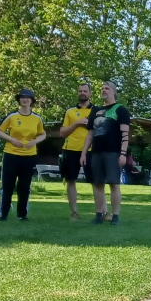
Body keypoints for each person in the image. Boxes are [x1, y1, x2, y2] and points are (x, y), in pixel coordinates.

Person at [82, 80, 130, 225]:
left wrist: (123, 154)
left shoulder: (120, 110)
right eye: (102, 88)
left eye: (107, 88)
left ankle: (115, 217)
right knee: (97, 184)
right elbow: (90, 134)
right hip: (96, 152)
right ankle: (98, 215)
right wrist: (84, 153)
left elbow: (125, 134)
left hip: (113, 153)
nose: (104, 90)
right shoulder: (95, 111)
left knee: (114, 184)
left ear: (114, 91)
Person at [0, 88, 45, 220]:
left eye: (28, 98)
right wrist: (11, 139)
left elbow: (43, 134)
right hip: (11, 154)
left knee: (24, 187)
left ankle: (22, 215)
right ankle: (3, 214)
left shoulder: (37, 118)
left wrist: (34, 141)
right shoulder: (12, 116)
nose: (25, 100)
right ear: (19, 100)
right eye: (22, 97)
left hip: (29, 156)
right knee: (7, 186)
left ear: (31, 101)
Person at [57, 82, 94, 219]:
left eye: (85, 91)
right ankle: (74, 212)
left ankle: (102, 212)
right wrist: (77, 123)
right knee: (71, 180)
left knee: (96, 182)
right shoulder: (70, 112)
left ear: (90, 93)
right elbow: (62, 133)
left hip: (91, 150)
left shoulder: (97, 111)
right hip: (71, 150)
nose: (82, 93)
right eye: (80, 91)